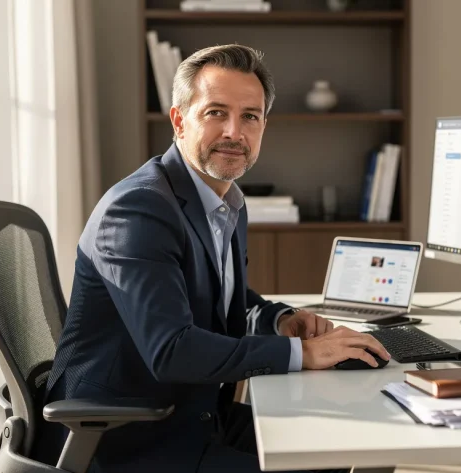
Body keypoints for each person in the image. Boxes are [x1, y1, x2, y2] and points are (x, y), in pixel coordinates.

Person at [35, 44, 390, 473]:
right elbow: (172, 349)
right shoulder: (139, 209)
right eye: (215, 113)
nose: (234, 133)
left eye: (250, 117)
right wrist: (301, 353)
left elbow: (216, 297)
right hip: (124, 440)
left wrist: (279, 319)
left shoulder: (224, 202)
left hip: (193, 417)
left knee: (347, 445)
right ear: (179, 120)